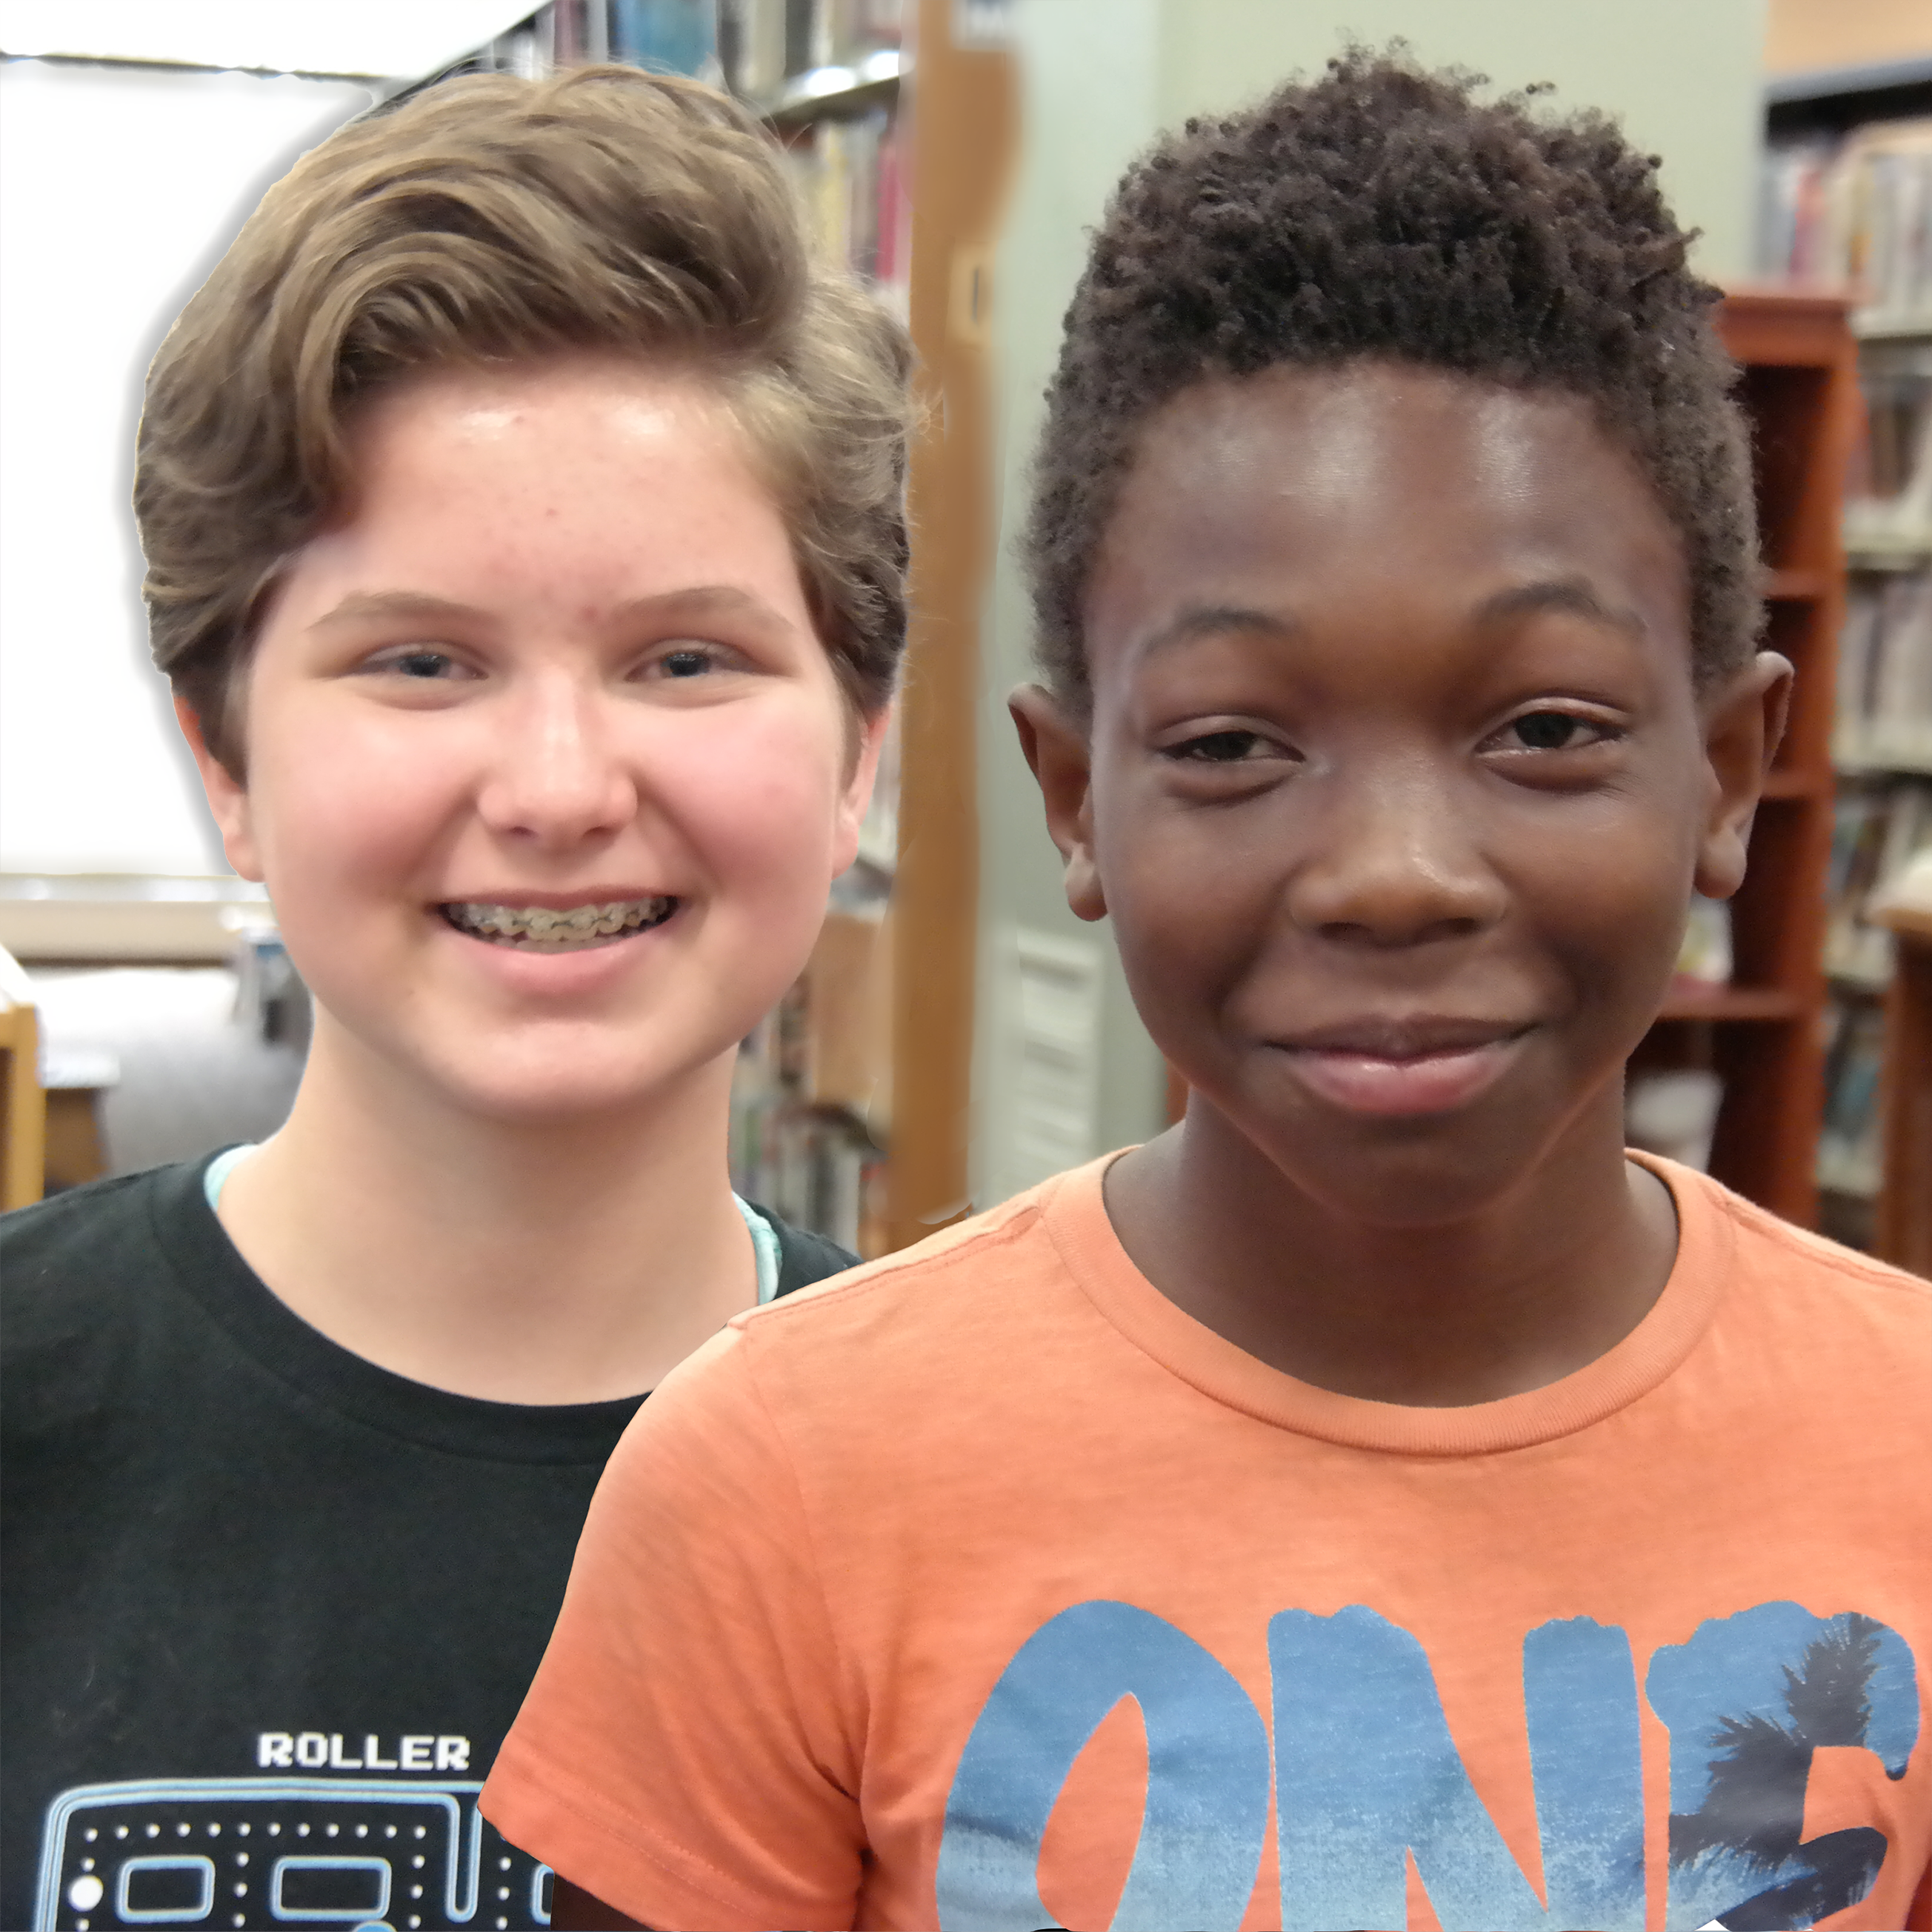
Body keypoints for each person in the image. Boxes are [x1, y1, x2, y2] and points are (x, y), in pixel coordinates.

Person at [482, 50, 1932, 1932]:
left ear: (1726, 772)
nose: (1394, 872)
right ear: (1076, 798)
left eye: (1545, 727)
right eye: (1236, 742)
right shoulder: (785, 1474)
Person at [0, 65, 909, 1932]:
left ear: (856, 760)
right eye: (421, 659)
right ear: (225, 760)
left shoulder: (989, 1483)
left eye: (683, 654)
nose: (561, 786)